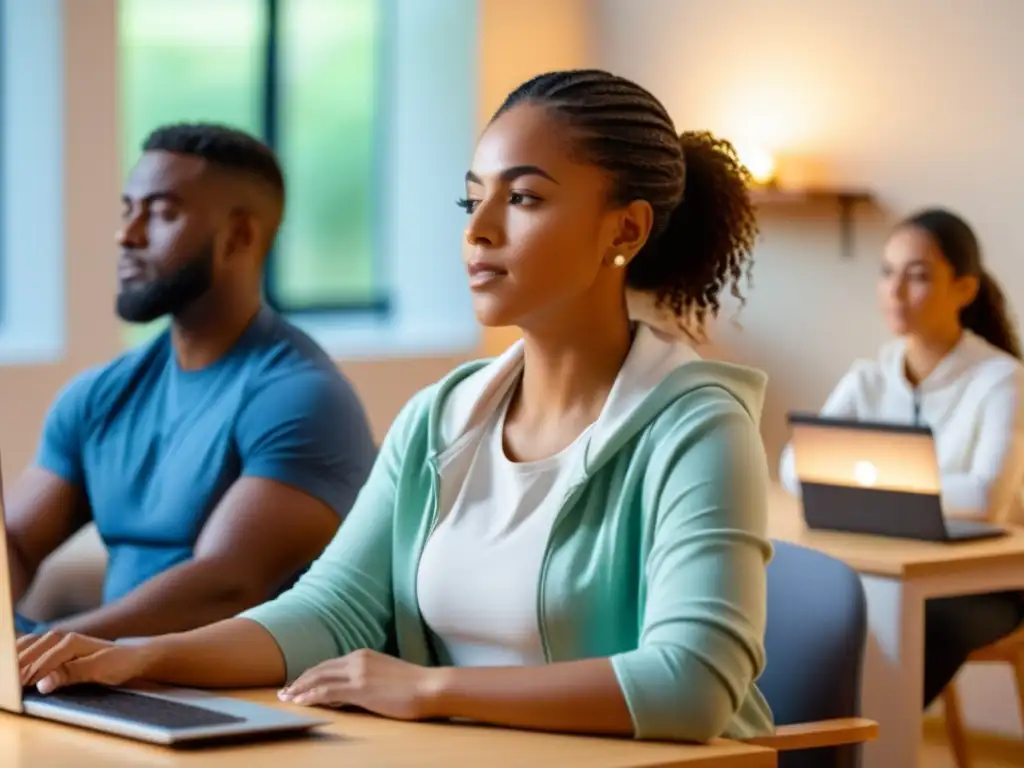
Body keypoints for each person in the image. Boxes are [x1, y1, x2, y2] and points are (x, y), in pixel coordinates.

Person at [19, 70, 774, 744]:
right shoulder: (441, 417)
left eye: (524, 198)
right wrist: (140, 658)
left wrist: (428, 690)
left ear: (627, 229)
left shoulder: (696, 422)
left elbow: (692, 684)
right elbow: (331, 611)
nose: (478, 231)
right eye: (472, 199)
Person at [9, 123, 376, 640]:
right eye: (127, 209)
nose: (127, 235)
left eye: (162, 213)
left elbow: (226, 586)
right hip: (115, 684)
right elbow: (18, 540)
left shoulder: (302, 397)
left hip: (247, 696)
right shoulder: (99, 396)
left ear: (240, 236)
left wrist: (54, 649)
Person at [779, 207, 1024, 707]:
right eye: (887, 272)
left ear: (965, 289)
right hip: (890, 568)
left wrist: (860, 488)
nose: (895, 291)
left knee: (906, 632)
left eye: (917, 277)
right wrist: (904, 494)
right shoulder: (871, 376)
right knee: (800, 613)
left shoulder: (1000, 379)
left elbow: (985, 500)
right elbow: (793, 467)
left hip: (985, 582)